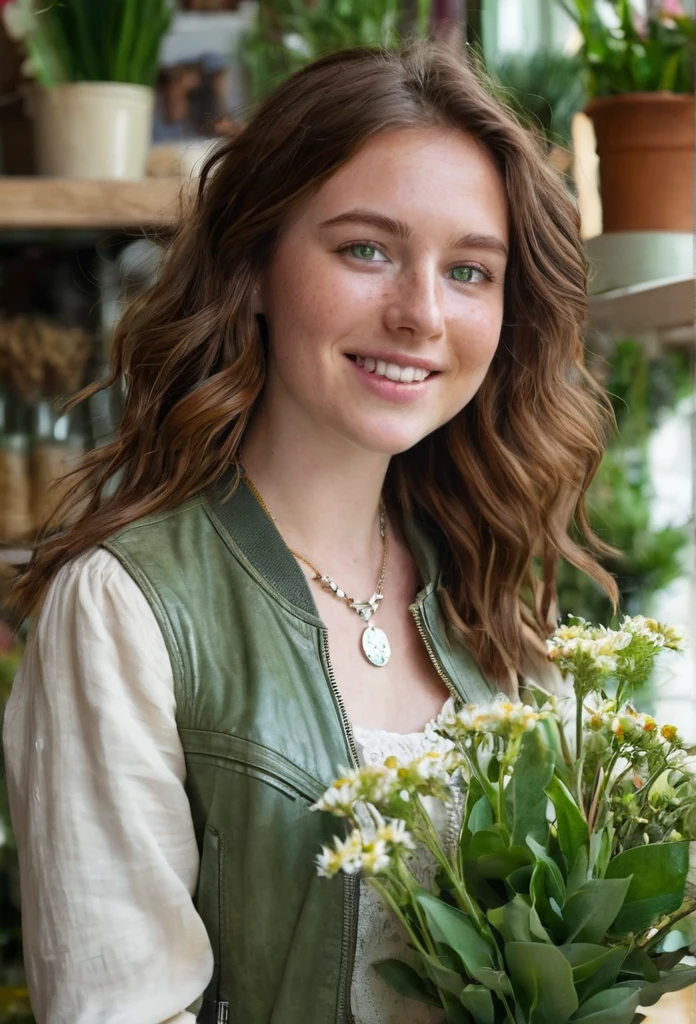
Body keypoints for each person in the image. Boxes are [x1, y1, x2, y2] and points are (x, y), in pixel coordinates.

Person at [2, 41, 616, 1024]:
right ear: (253, 267)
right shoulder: (124, 609)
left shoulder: (491, 587)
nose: (421, 312)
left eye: (469, 270)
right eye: (365, 249)